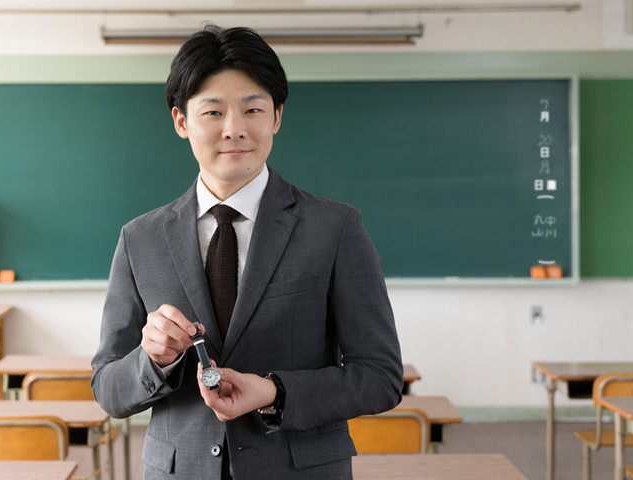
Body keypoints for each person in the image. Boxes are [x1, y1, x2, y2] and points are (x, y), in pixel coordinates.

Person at [91, 24, 403, 480]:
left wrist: (275, 391)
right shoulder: (140, 238)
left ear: (276, 116)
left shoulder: (335, 229)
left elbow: (380, 378)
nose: (234, 130)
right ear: (181, 121)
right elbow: (108, 389)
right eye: (213, 112)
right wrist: (152, 360)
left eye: (252, 109)